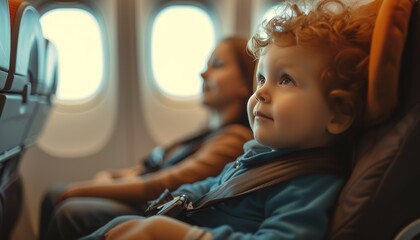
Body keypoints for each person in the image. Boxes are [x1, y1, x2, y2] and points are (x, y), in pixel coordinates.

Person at [79, 0, 381, 239]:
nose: (261, 91)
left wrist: (177, 233)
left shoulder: (308, 184)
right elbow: (213, 186)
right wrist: (173, 202)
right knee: (120, 223)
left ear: (338, 115)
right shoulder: (257, 156)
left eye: (286, 80)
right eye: (261, 78)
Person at [39, 36, 256, 240]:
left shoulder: (234, 139)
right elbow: (154, 166)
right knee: (55, 194)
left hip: (156, 205)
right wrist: (113, 176)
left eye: (217, 65)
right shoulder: (207, 133)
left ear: (245, 84)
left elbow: (163, 183)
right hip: (148, 198)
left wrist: (80, 189)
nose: (203, 74)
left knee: (68, 209)